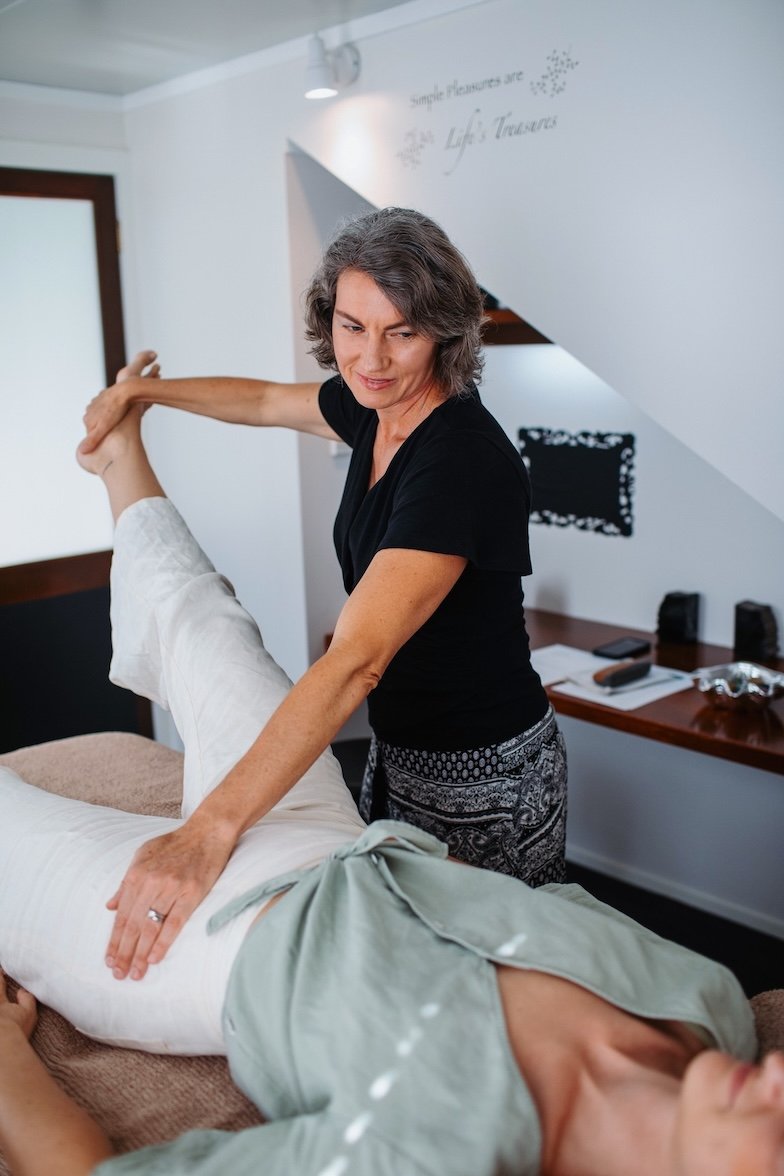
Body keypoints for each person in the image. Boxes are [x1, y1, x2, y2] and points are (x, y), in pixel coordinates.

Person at [0, 406, 779, 1176]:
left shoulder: (438, 1152)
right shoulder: (704, 1001)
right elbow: (552, 906)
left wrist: (8, 1053)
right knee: (210, 622)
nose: (778, 1081)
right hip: (345, 845)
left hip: (212, 947)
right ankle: (119, 455)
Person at [79, 206, 567, 910]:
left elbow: (356, 661)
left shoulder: (458, 460)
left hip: (485, 774)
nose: (371, 359)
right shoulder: (378, 407)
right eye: (353, 326)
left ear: (444, 332)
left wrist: (210, 828)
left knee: (487, 957)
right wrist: (142, 393)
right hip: (400, 753)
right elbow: (264, 402)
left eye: (402, 332)